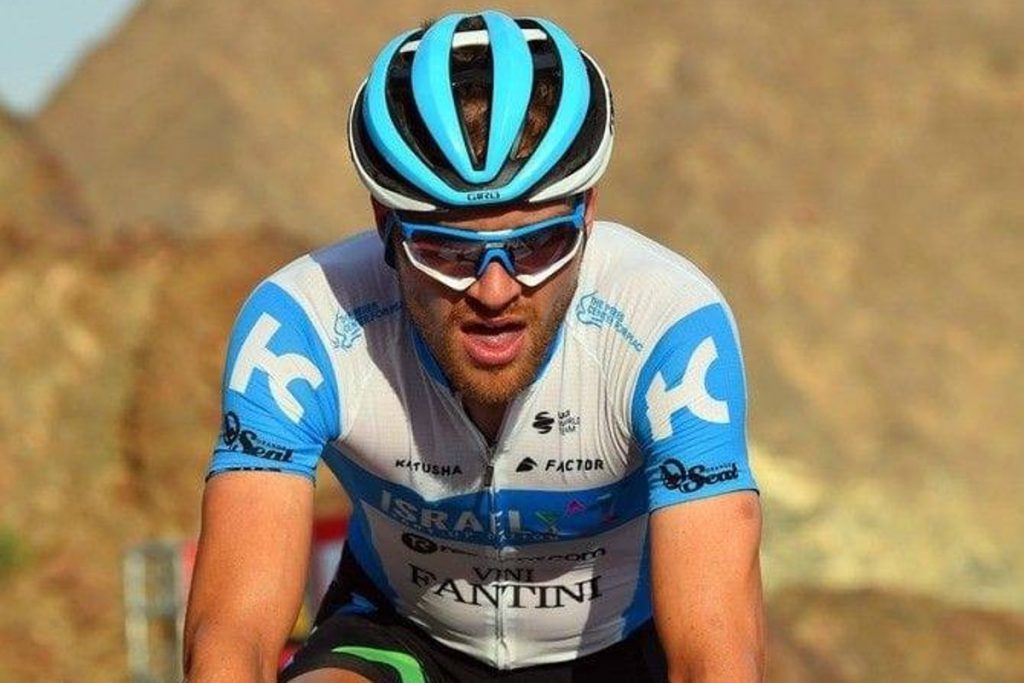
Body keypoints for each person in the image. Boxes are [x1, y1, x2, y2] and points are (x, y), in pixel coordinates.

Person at [182, 10, 764, 683]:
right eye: (447, 250)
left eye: (539, 244)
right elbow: (233, 634)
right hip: (406, 637)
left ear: (589, 212)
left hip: (618, 652)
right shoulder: (303, 328)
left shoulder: (668, 327)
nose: (494, 291)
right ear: (385, 221)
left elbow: (716, 656)